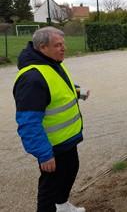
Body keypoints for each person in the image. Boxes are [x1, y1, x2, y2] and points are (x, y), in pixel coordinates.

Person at [13, 27, 88, 212]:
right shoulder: (32, 78)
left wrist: (77, 92)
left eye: (63, 44)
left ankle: (63, 206)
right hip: (52, 146)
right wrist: (44, 153)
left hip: (66, 140)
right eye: (58, 45)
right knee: (50, 187)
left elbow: (57, 88)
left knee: (69, 172)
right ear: (42, 47)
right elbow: (28, 123)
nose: (64, 48)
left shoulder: (52, 63)